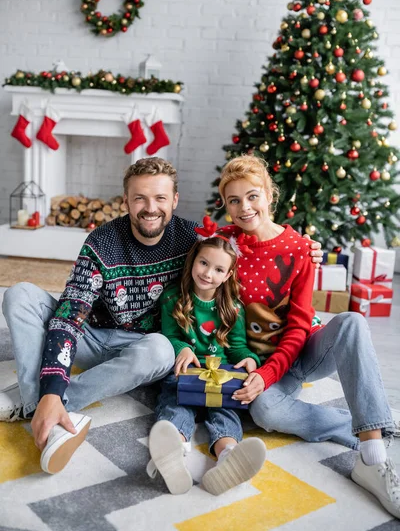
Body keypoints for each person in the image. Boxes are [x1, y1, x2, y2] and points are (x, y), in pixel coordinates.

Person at [0, 157, 322, 475]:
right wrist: (53, 387)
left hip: (148, 348)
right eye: (140, 197)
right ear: (125, 200)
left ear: (175, 201)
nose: (150, 207)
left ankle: (48, 404)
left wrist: (304, 248)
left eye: (160, 198)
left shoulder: (192, 240)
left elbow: (243, 248)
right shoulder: (101, 241)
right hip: (92, 335)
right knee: (19, 294)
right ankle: (42, 402)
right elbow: (70, 315)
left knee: (160, 348)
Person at [216, 154, 399, 520]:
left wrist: (268, 375)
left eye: (253, 196)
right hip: (256, 360)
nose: (244, 207)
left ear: (270, 195)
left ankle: (372, 459)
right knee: (264, 410)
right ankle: (365, 425)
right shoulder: (224, 245)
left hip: (303, 352)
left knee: (350, 322)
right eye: (233, 201)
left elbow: (300, 325)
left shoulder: (299, 248)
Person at [147, 222, 266, 495]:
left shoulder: (233, 307)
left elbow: (236, 347)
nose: (208, 273)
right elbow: (169, 336)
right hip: (185, 372)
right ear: (193, 261)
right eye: (203, 263)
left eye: (218, 269)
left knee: (225, 412)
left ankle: (228, 457)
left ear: (227, 275)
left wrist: (249, 359)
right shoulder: (172, 298)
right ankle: (172, 452)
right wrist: (182, 348)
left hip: (219, 377)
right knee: (174, 404)